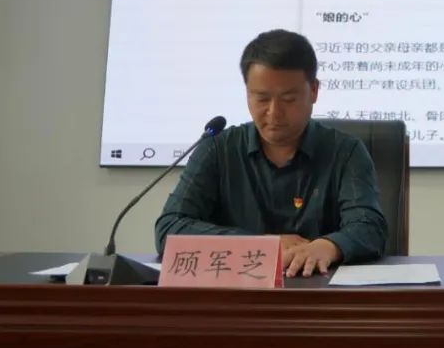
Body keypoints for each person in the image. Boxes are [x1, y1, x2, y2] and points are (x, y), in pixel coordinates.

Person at [155, 29, 388, 277]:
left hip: (318, 290)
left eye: (288, 99)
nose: (274, 113)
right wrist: (263, 245)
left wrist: (329, 246)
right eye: (262, 99)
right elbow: (170, 227)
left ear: (314, 91)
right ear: (247, 92)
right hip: (237, 293)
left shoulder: (345, 151)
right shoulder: (217, 149)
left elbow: (369, 226)